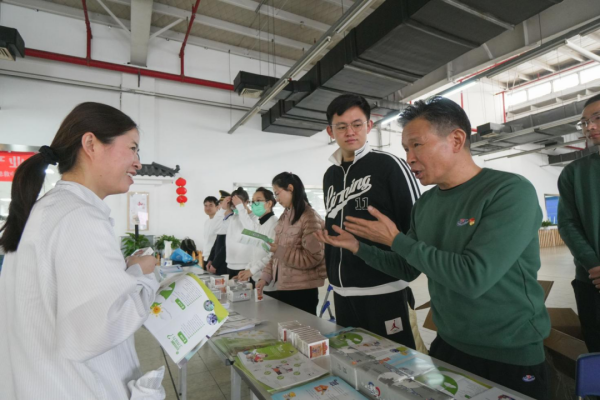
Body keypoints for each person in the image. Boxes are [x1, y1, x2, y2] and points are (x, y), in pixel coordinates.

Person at [315, 97, 551, 399]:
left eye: (417, 145)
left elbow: (473, 277)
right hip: (447, 345)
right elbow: (407, 268)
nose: (410, 158)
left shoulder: (509, 191)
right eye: (405, 149)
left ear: (456, 140)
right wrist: (359, 247)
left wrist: (396, 240)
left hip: (508, 354)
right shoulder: (426, 204)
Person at [0, 103, 161, 399]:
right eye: (132, 148)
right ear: (91, 144)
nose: (138, 163)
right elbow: (102, 327)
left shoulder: (53, 209)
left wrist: (122, 272)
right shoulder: (79, 217)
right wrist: (144, 274)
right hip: (77, 387)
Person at [324, 93, 420, 348]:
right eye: (341, 126)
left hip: (385, 289)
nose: (350, 132)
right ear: (330, 131)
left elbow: (415, 224)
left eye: (357, 124)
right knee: (351, 361)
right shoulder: (330, 175)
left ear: (369, 125)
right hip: (341, 292)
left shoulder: (389, 165)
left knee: (398, 365)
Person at [558, 93, 600, 353]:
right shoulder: (574, 173)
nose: (590, 126)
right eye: (584, 122)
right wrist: (593, 265)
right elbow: (567, 224)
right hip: (591, 282)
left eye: (597, 118)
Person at [256, 173, 326, 315]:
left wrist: (280, 250)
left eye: (277, 193)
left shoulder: (310, 217)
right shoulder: (285, 217)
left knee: (302, 328)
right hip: (284, 287)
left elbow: (312, 258)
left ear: (290, 188)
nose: (276, 199)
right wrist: (265, 277)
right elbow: (276, 253)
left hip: (302, 291)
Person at [235, 187, 279, 289]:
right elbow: (255, 252)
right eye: (253, 201)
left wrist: (251, 271)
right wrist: (247, 271)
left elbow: (272, 255)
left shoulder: (275, 224)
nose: (254, 204)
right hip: (256, 278)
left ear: (269, 203)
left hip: (268, 282)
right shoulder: (260, 224)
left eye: (258, 201)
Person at [224, 187, 254, 279]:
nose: (236, 206)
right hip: (230, 264)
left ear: (247, 202)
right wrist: (224, 208)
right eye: (234, 204)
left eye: (238, 203)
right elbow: (218, 229)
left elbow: (250, 230)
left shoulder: (255, 217)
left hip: (246, 265)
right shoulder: (233, 217)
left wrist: (240, 207)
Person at [206, 190, 233, 275]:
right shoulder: (224, 219)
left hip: (224, 262)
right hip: (217, 261)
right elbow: (217, 241)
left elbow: (227, 246)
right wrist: (211, 259)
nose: (219, 207)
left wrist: (215, 263)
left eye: (221, 204)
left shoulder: (232, 220)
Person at [201, 195, 219, 266]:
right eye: (206, 205)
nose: (208, 208)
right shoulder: (207, 222)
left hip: (215, 257)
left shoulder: (220, 221)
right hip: (206, 257)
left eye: (211, 205)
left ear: (217, 207)